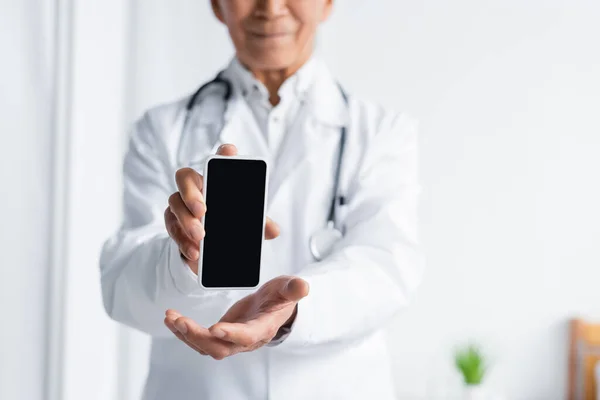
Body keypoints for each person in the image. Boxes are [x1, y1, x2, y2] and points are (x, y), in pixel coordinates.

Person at [100, 0, 422, 399]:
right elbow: (123, 291)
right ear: (218, 5)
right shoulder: (162, 129)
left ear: (327, 4)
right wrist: (182, 256)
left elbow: (384, 271)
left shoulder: (380, 132)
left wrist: (291, 312)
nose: (270, 8)